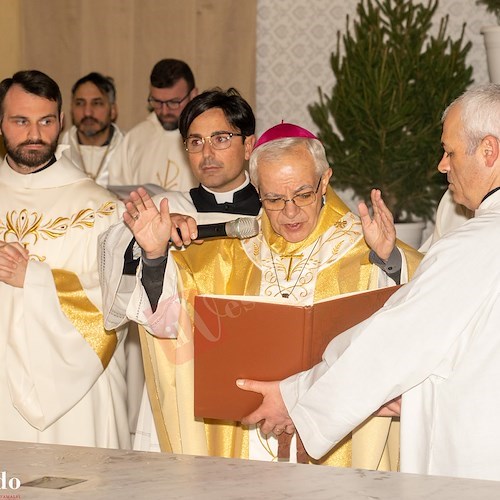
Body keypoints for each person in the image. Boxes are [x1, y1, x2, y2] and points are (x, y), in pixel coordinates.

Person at [105, 121, 422, 468]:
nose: (289, 211)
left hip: (335, 444)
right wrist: (154, 256)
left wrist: (388, 262)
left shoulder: (369, 245)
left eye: (303, 194)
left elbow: (416, 313)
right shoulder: (229, 254)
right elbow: (167, 322)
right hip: (246, 440)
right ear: (257, 190)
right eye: (273, 198)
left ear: (325, 181)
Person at [237, 84, 500, 482]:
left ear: (489, 151)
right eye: (274, 198)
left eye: (449, 152)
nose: (442, 166)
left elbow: (395, 340)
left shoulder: (478, 242)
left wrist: (296, 398)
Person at [101, 87, 261, 451]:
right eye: (195, 142)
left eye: (221, 139)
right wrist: (153, 247)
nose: (207, 153)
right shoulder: (165, 210)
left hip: (257, 377)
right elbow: (125, 286)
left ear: (248, 145)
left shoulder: (277, 214)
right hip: (182, 375)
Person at [0, 70, 129, 449]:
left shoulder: (101, 208)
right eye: (20, 121)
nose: (34, 134)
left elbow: (116, 305)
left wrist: (35, 280)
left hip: (77, 394)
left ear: (61, 122)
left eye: (45, 121)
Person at [108, 59, 198, 191]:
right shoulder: (134, 139)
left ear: (193, 95)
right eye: (157, 102)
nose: (165, 111)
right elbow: (119, 193)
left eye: (174, 102)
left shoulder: (207, 138)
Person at [59, 72, 123, 188]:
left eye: (97, 103)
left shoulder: (128, 151)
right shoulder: (59, 153)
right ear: (71, 109)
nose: (87, 112)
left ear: (113, 110)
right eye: (80, 103)